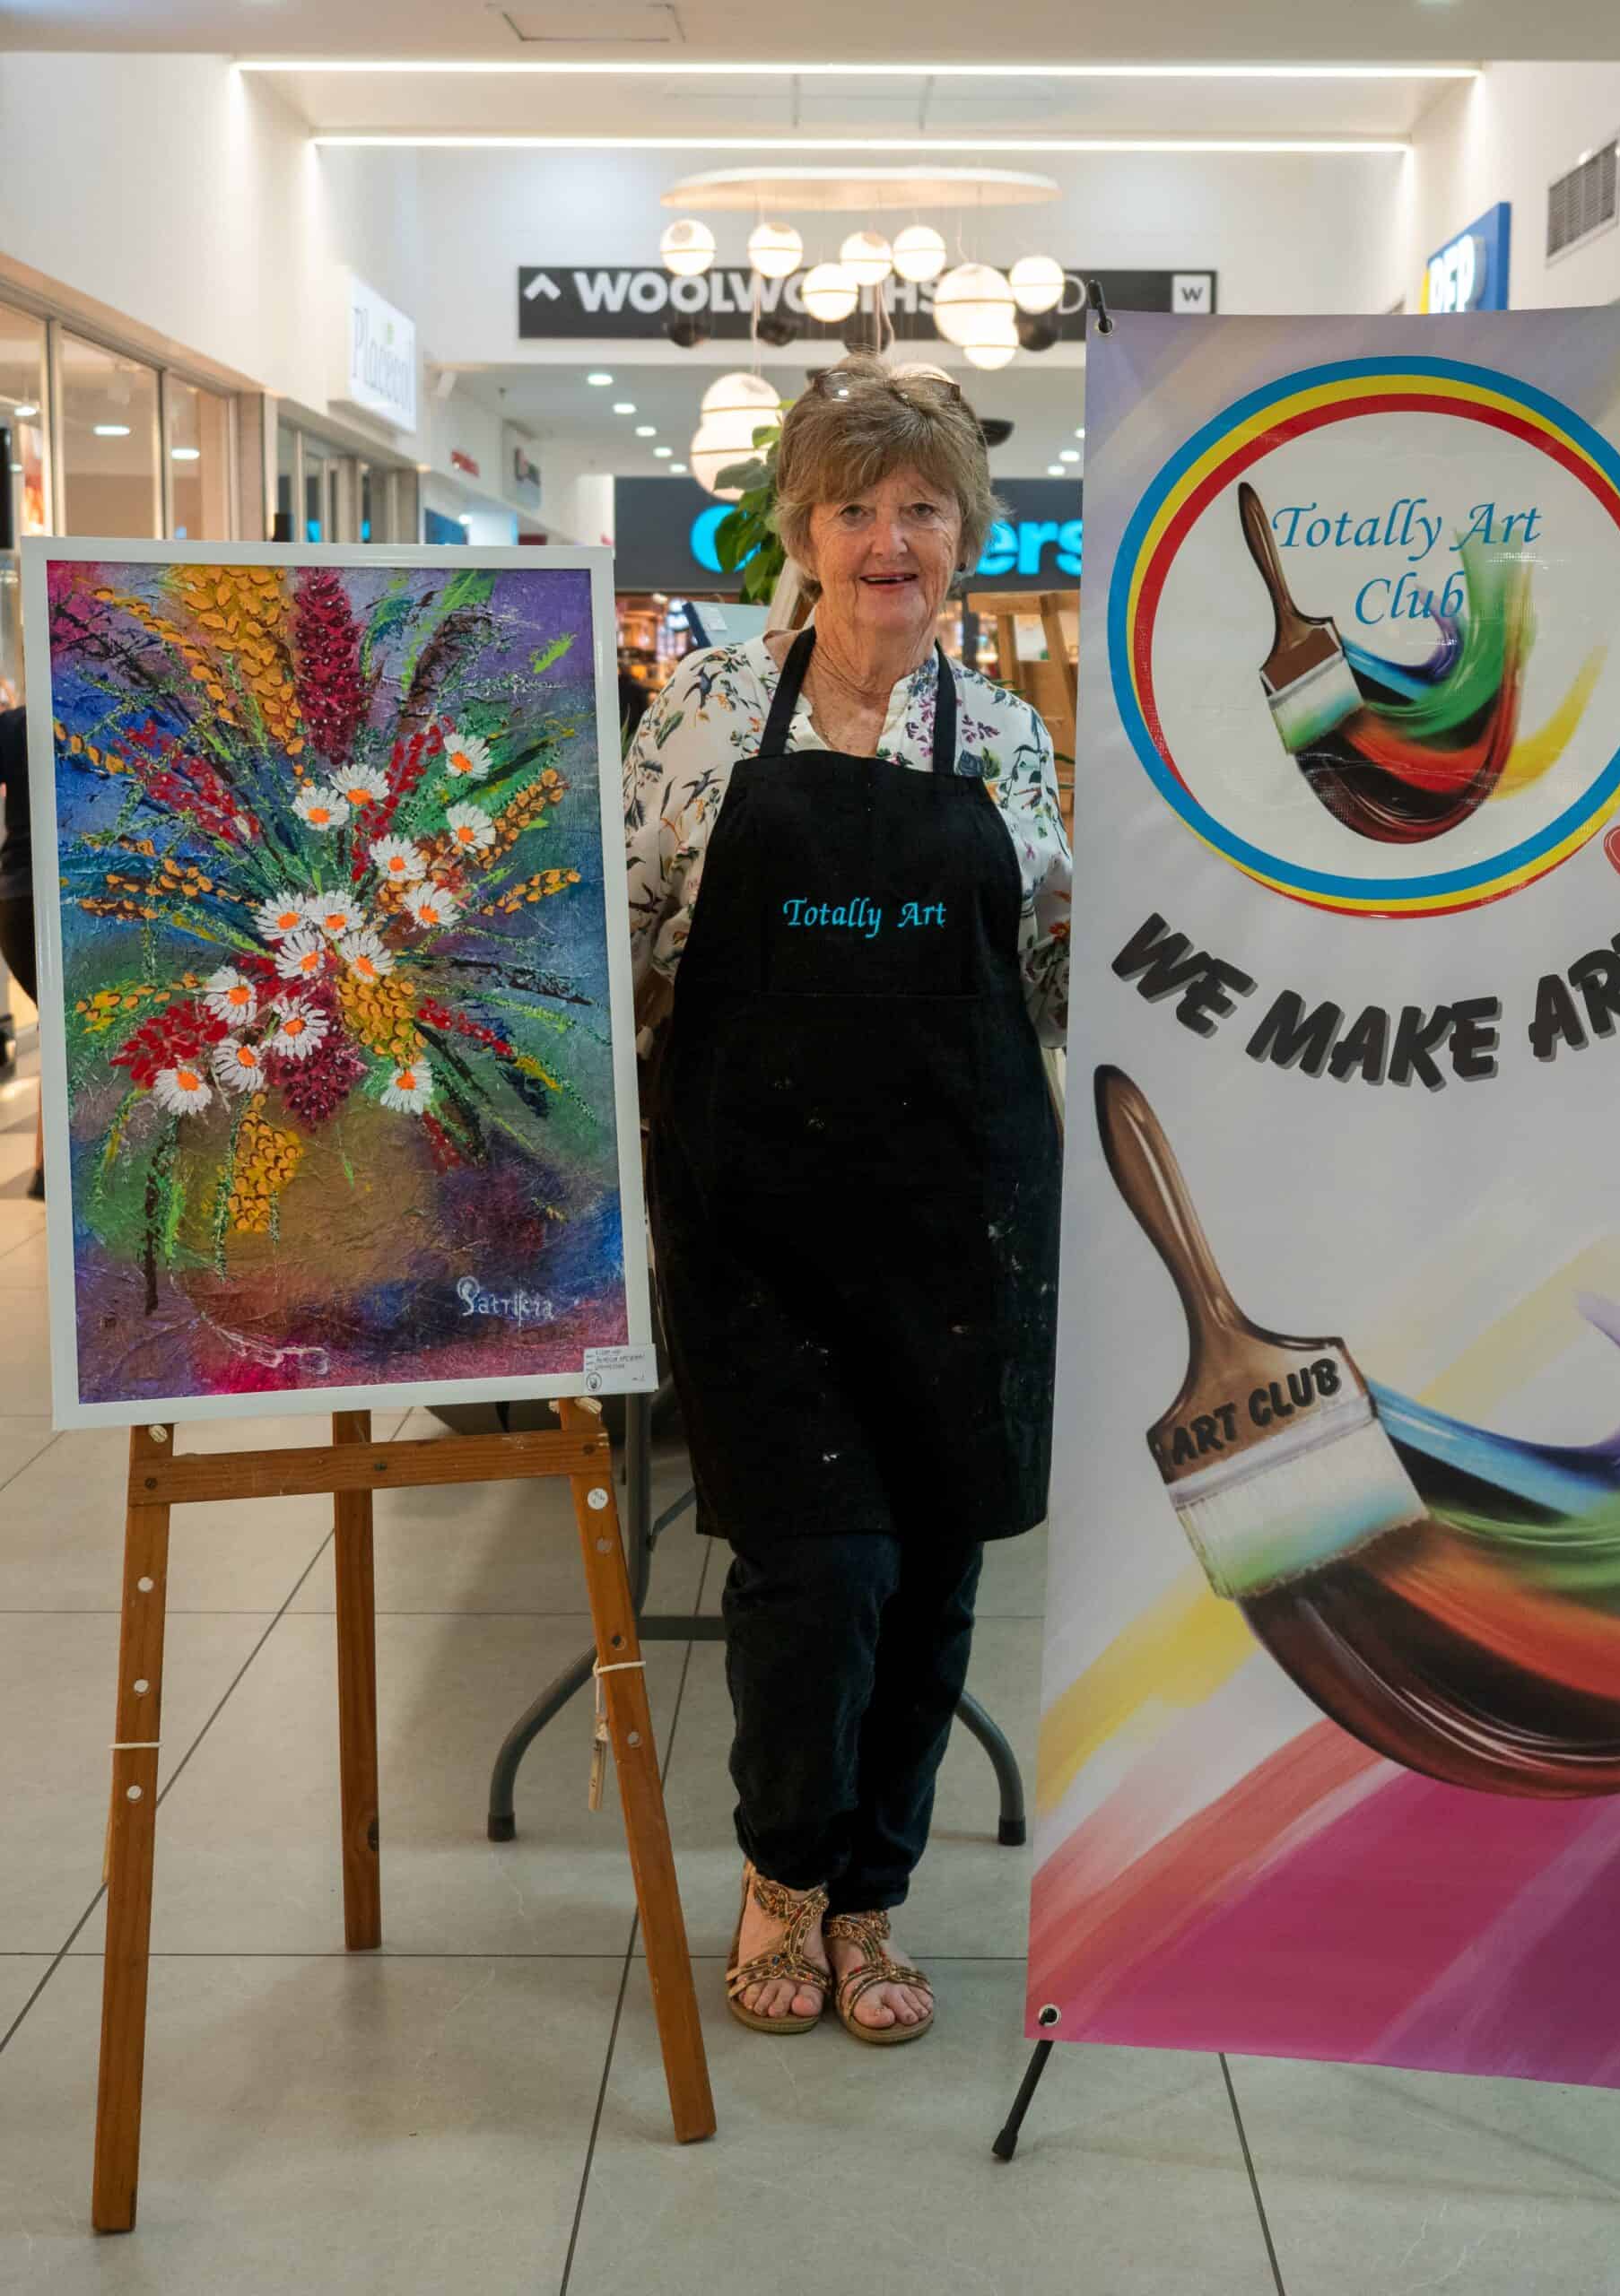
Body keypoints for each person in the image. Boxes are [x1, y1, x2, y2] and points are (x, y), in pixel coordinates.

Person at [624, 356, 1070, 2044]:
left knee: (939, 1572)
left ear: (964, 535)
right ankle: (781, 1878)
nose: (890, 539)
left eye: (922, 509)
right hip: (755, 1226)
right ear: (801, 533)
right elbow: (641, 946)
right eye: (855, 509)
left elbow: (1045, 969)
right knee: (820, 1573)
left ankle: (878, 1898)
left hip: (959, 1219)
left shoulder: (1010, 736)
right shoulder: (708, 714)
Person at [0, 707, 42, 1198]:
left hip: (14, 899)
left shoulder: (13, 725)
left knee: (60, 1036)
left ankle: (46, 1171)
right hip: (44, 899)